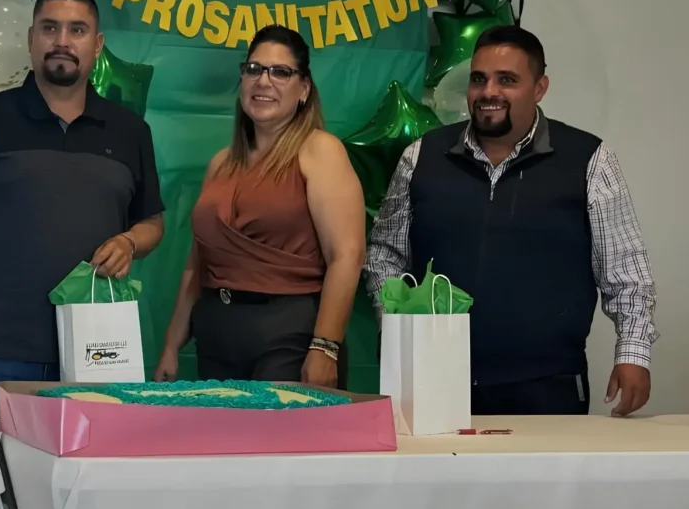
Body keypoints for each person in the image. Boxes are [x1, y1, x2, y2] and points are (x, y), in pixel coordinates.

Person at [0, 0, 164, 509]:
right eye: (50, 28)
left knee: (89, 497)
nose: (62, 40)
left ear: (97, 45)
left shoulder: (131, 131)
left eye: (77, 30)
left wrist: (131, 242)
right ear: (31, 39)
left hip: (99, 350)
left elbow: (153, 223)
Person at [366, 25, 658, 417]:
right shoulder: (422, 156)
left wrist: (633, 353)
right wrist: (397, 324)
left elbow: (626, 272)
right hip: (432, 379)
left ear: (539, 88)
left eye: (507, 80)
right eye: (478, 79)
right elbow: (385, 253)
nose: (489, 92)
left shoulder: (589, 160)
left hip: (548, 384)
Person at [153, 25, 367, 388]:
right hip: (216, 336)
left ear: (304, 89)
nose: (263, 81)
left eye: (280, 72)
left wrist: (325, 347)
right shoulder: (220, 164)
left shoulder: (320, 150)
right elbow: (198, 260)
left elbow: (347, 255)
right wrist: (172, 344)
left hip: (290, 335)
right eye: (253, 69)